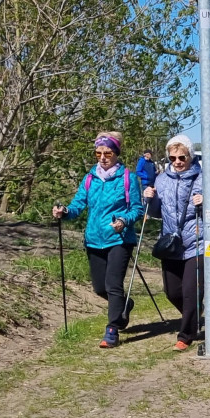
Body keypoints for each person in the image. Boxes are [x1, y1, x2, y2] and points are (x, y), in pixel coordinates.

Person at [53, 132, 144, 348]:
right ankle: (124, 304)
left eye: (107, 153)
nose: (102, 157)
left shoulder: (127, 178)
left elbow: (137, 209)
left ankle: (112, 330)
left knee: (113, 285)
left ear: (116, 153)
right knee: (100, 288)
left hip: (119, 239)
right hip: (94, 239)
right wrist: (64, 211)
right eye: (98, 153)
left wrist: (124, 220)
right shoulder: (89, 178)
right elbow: (77, 205)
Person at [142, 135, 210, 351]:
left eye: (181, 157)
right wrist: (148, 199)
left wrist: (207, 202)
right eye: (172, 158)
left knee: (191, 292)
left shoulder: (204, 178)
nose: (177, 162)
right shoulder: (161, 179)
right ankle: (195, 313)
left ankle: (185, 334)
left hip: (197, 241)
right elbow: (156, 212)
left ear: (190, 156)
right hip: (171, 243)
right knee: (172, 292)